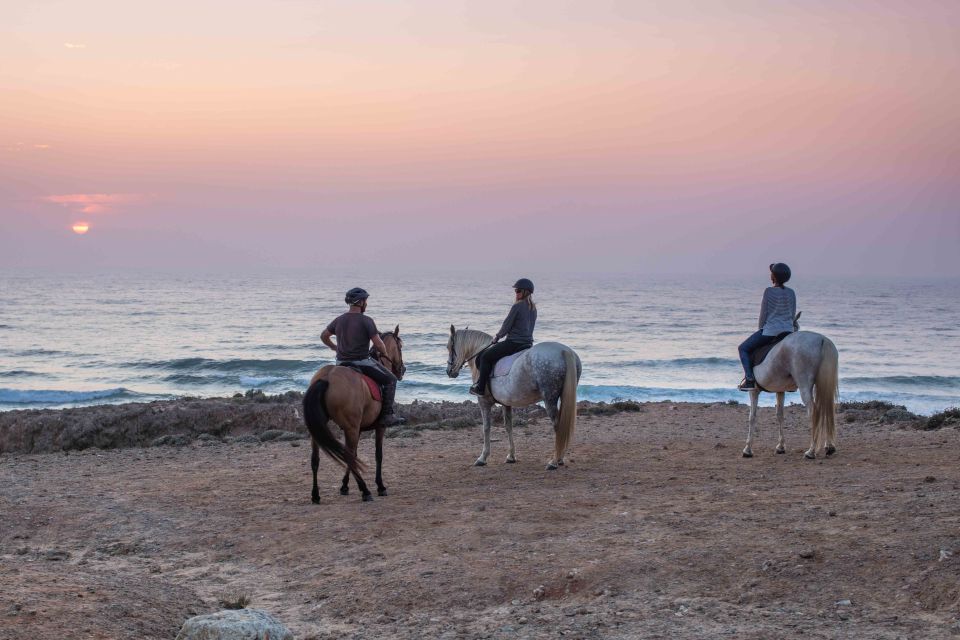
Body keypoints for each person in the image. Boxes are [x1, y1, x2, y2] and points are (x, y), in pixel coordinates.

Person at [321, 287, 405, 426]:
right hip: (361, 362)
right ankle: (387, 416)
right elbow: (378, 344)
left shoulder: (339, 320)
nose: (366, 304)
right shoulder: (366, 321)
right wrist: (384, 352)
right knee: (391, 379)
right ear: (360, 302)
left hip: (341, 363)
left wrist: (335, 347)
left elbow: (324, 336)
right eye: (366, 301)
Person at [470, 278, 538, 396]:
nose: (516, 293)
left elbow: (507, 325)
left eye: (517, 291)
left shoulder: (517, 306)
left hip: (513, 343)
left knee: (485, 357)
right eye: (516, 291)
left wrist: (497, 337)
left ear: (525, 292)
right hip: (527, 344)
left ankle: (481, 388)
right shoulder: (533, 308)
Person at [737, 263, 797, 390]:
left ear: (774, 277)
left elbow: (764, 313)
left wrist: (761, 329)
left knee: (743, 348)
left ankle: (749, 379)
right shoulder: (791, 292)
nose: (770, 275)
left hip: (771, 331)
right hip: (788, 331)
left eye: (771, 273)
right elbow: (792, 314)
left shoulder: (769, 291)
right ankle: (792, 383)